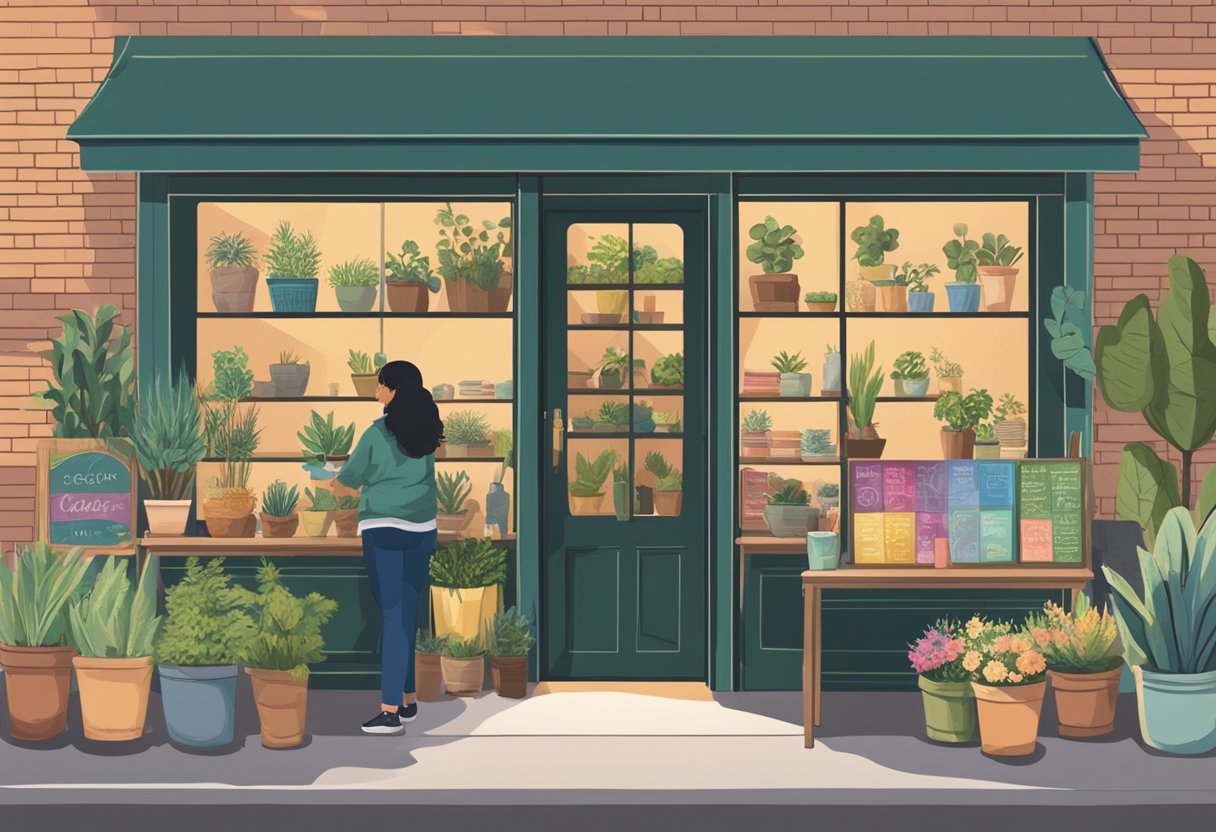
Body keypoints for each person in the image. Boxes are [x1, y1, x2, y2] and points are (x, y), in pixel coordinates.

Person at [337, 360, 444, 735]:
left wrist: (329, 478)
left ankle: (389, 711)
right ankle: (409, 699)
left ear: (395, 389)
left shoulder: (377, 432)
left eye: (381, 386)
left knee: (393, 616)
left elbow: (349, 478)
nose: (376, 392)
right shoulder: (428, 430)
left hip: (383, 527)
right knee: (408, 614)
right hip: (422, 529)